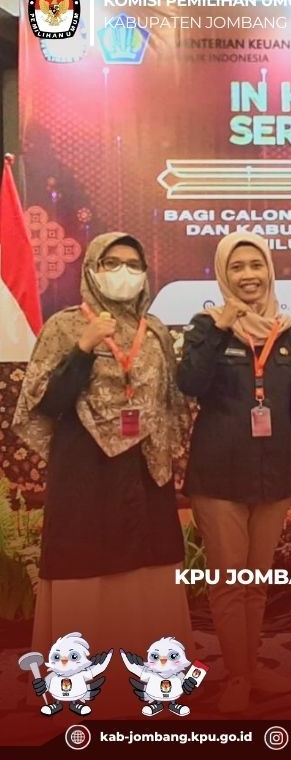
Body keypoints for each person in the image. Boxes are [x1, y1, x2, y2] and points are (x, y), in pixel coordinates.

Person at [14, 232, 192, 716]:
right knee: (85, 571)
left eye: (133, 263)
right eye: (111, 262)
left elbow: (171, 403)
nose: (123, 272)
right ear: (92, 268)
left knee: (146, 573)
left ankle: (150, 684)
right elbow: (42, 404)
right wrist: (83, 348)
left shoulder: (156, 332)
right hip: (85, 471)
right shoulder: (64, 325)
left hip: (144, 472)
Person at [177, 232, 291, 712]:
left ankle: (250, 667)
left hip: (273, 474)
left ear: (269, 271)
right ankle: (237, 675)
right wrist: (220, 327)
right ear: (223, 274)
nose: (249, 275)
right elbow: (190, 383)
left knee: (256, 582)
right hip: (219, 475)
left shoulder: (290, 333)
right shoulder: (206, 326)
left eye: (257, 265)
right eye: (237, 267)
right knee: (229, 582)